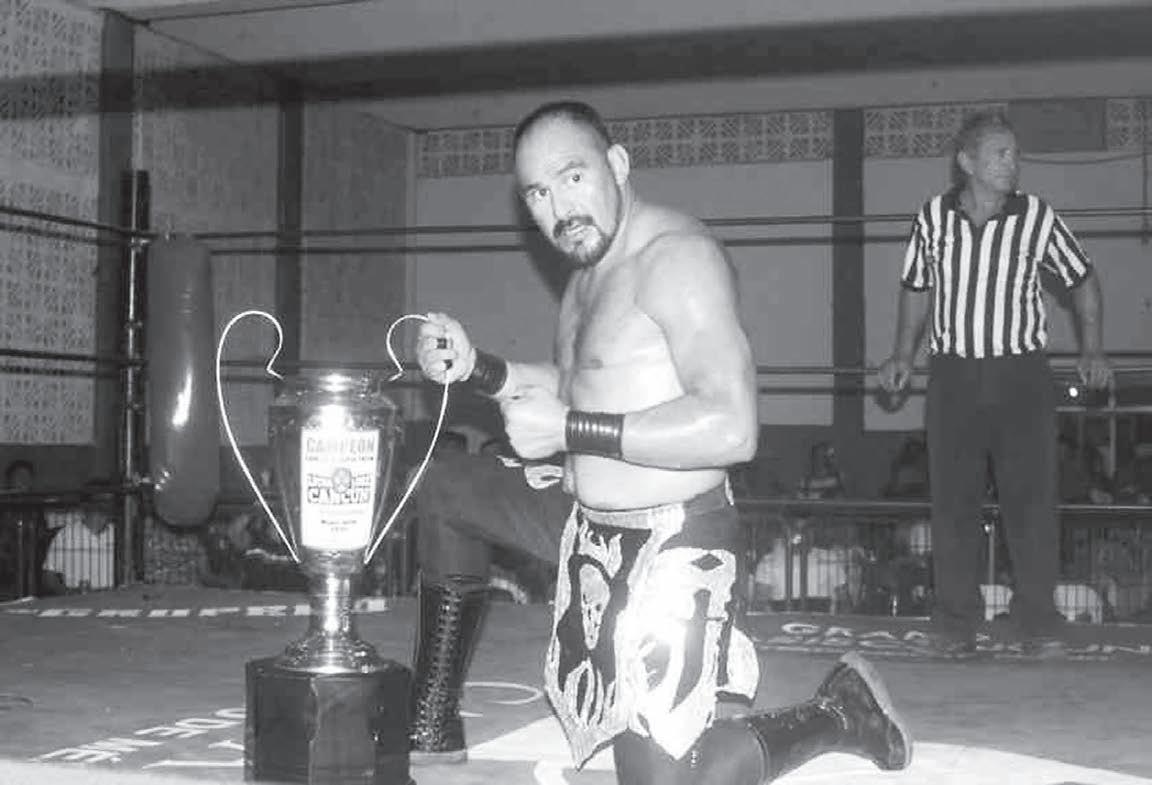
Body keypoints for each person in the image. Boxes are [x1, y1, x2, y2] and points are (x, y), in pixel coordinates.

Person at [412, 100, 911, 784]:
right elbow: (582, 383)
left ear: (617, 165)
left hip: (676, 538)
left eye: (573, 177)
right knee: (448, 485)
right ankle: (431, 720)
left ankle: (839, 711)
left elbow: (732, 426)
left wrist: (567, 429)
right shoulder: (587, 274)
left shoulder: (677, 260)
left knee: (665, 779)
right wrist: (479, 368)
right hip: (582, 522)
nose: (559, 209)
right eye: (538, 194)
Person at [877, 110, 1113, 654]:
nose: (1013, 163)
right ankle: (955, 624)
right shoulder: (933, 218)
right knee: (952, 502)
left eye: (1015, 154)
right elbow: (915, 288)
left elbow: (1082, 278)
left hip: (1020, 373)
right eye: (1000, 154)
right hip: (954, 375)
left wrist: (1093, 348)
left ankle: (1037, 620)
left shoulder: (1036, 217)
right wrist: (902, 355)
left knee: (1031, 499)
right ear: (968, 161)